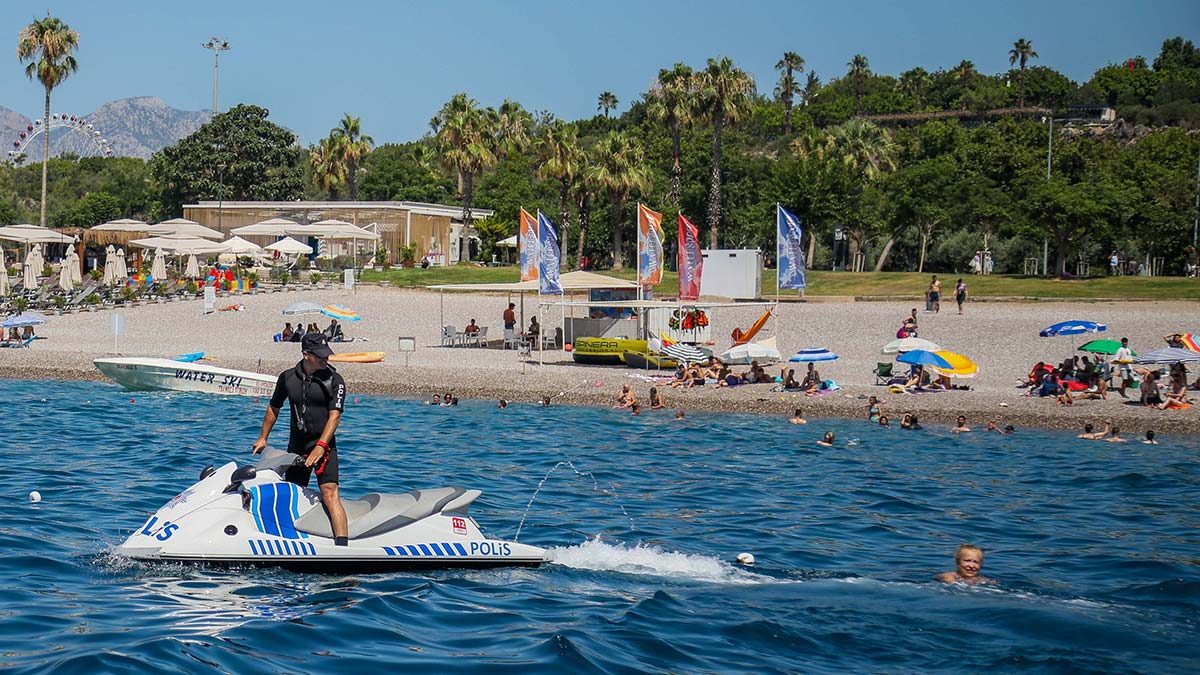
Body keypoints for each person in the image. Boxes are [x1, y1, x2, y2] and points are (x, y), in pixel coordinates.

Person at [252, 333, 349, 546]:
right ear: (306, 355)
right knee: (291, 493)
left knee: (330, 494)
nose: (326, 359)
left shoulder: (335, 380)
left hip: (325, 448)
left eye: (326, 354)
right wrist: (262, 438)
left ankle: (342, 546)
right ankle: (287, 542)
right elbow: (273, 407)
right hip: (297, 448)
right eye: (320, 355)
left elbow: (335, 416)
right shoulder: (287, 378)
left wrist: (321, 447)